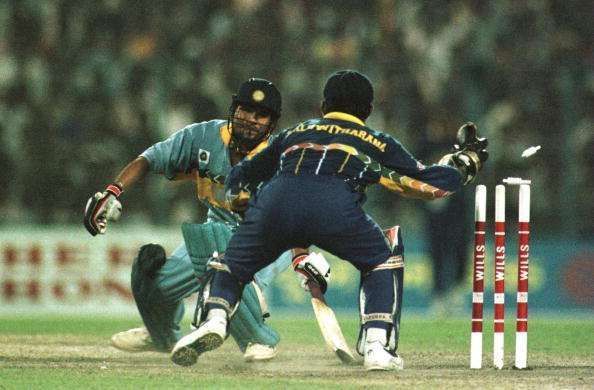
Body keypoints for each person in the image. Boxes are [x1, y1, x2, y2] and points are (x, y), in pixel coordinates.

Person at [169, 70, 489, 370]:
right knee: (383, 254)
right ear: (367, 110)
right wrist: (463, 164)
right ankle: (377, 344)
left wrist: (242, 203)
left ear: (323, 106)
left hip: (276, 202)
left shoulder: (296, 132)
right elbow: (426, 184)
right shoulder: (375, 140)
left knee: (230, 261)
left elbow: (242, 173)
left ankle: (213, 319)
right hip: (334, 205)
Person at [83, 78, 319, 362]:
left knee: (231, 272)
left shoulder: (285, 155)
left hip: (269, 238)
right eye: (245, 110)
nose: (251, 120)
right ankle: (161, 334)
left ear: (272, 122)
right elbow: (151, 158)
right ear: (233, 109)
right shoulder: (204, 136)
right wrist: (113, 191)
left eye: (261, 115)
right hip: (215, 230)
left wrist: (299, 255)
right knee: (155, 282)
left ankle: (258, 338)